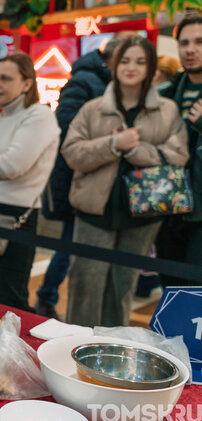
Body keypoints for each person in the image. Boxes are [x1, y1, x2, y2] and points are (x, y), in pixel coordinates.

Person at [62, 35, 188, 326]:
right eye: (126, 60)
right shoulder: (93, 109)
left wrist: (136, 150)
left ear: (151, 68)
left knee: (122, 291)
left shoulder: (166, 110)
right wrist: (113, 144)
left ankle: (112, 355)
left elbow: (178, 156)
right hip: (94, 213)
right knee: (85, 289)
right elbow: (72, 153)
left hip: (143, 216)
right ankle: (76, 353)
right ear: (114, 65)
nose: (132, 67)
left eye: (140, 61)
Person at [37, 37, 123, 318]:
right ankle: (47, 295)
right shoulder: (86, 79)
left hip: (94, 174)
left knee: (74, 241)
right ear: (111, 58)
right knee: (72, 240)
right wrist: (108, 138)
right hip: (78, 175)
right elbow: (67, 125)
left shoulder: (103, 80)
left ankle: (48, 295)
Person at [0, 53, 60, 311]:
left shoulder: (39, 115)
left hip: (14, 218)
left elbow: (12, 166)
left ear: (27, 84)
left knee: (8, 302)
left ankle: (12, 352)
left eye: (5, 78)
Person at [156, 14, 202, 286]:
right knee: (170, 286)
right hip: (168, 205)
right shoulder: (166, 92)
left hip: (200, 211)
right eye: (184, 43)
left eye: (199, 42)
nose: (190, 49)